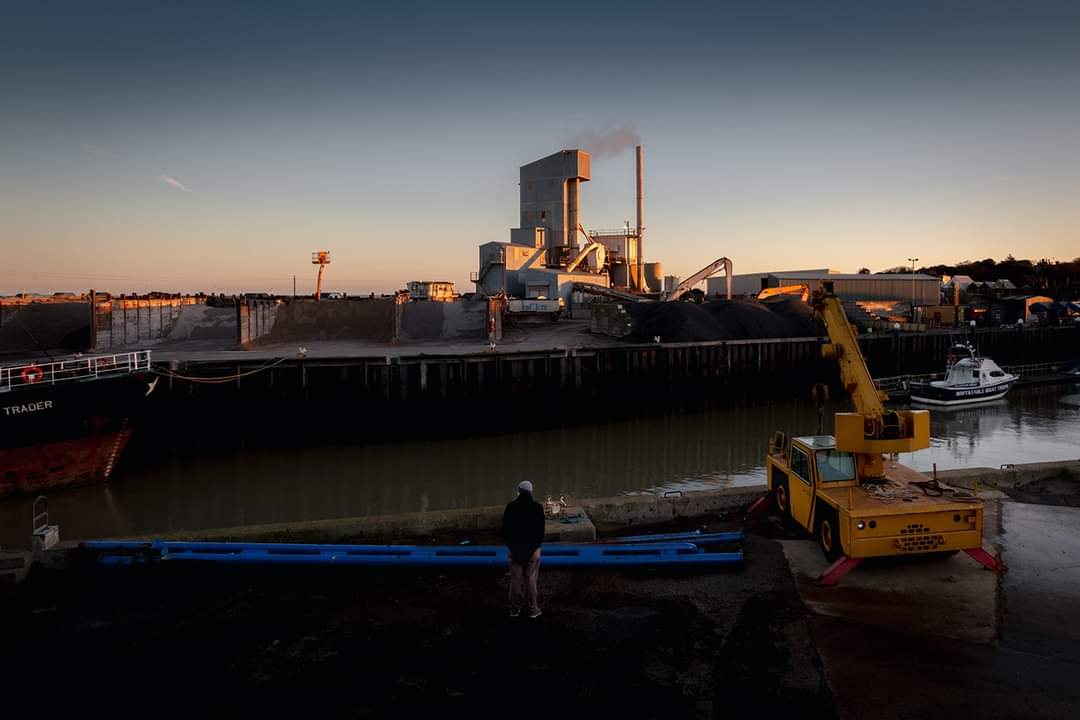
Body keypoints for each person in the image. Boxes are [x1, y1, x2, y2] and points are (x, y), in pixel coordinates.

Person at [502, 480, 545, 619]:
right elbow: (540, 531)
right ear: (531, 492)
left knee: (516, 580)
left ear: (518, 491)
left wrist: (510, 548)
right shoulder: (537, 507)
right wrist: (537, 547)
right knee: (531, 579)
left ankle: (515, 609)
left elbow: (506, 531)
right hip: (532, 550)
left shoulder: (510, 507)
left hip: (515, 549)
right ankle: (533, 609)